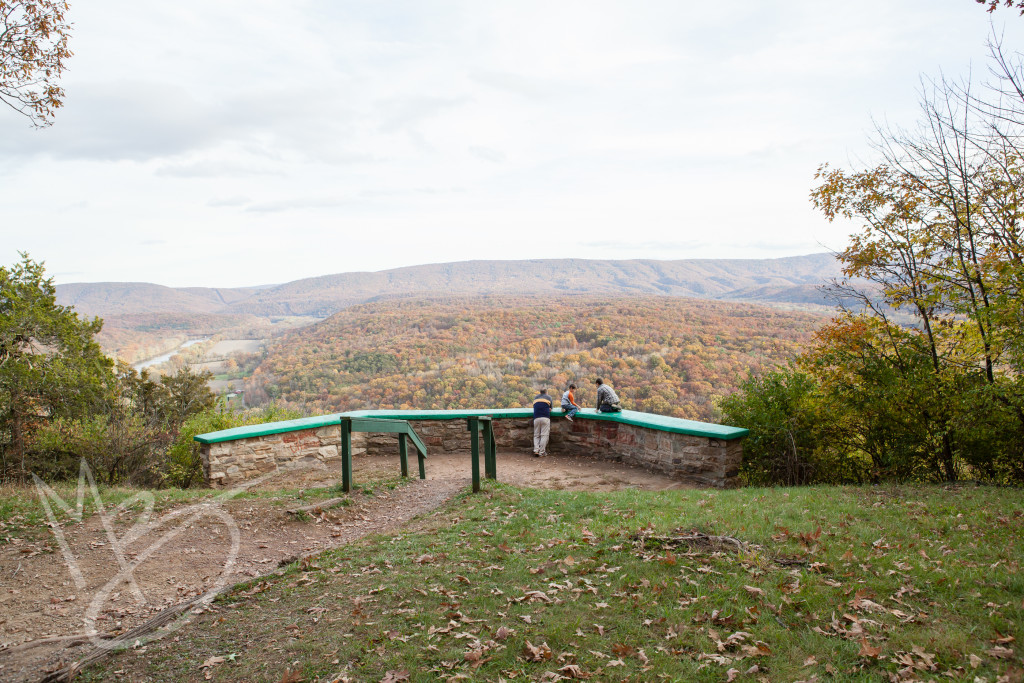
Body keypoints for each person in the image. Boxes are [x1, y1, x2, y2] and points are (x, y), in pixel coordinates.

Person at [532, 388, 552, 456]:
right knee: (544, 435)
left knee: (536, 435)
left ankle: (536, 450)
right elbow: (550, 408)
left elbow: (534, 407)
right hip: (545, 417)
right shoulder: (549, 397)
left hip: (536, 417)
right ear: (546, 392)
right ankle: (542, 452)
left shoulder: (535, 397)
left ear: (540, 392)